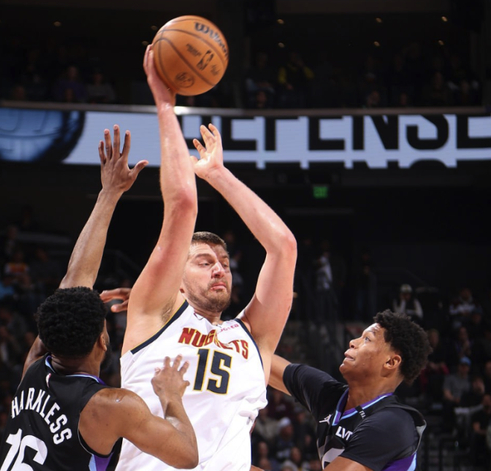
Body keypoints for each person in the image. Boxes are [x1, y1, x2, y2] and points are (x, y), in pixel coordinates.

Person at [116, 46, 297, 471]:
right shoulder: (154, 314)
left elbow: (283, 247)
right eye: (203, 261)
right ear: (175, 279)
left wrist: (218, 174)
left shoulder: (253, 337)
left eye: (224, 262)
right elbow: (182, 204)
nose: (219, 268)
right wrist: (165, 103)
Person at [0, 125, 198, 471]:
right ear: (102, 340)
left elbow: (73, 284)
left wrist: (110, 193)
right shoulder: (110, 405)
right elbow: (187, 455)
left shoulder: (35, 370)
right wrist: (171, 397)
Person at [270, 310, 430, 470]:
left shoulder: (393, 423)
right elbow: (261, 362)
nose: (352, 342)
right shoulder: (330, 394)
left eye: (367, 339)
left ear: (391, 362)